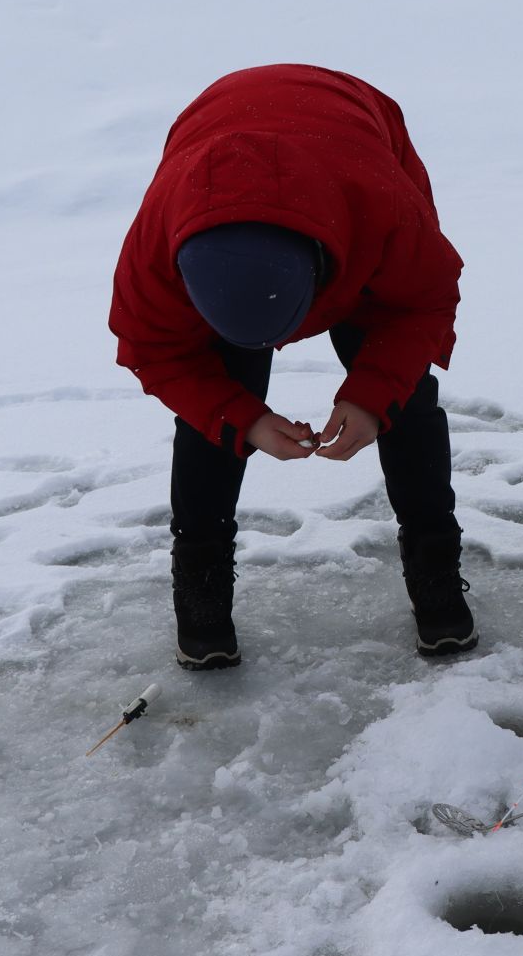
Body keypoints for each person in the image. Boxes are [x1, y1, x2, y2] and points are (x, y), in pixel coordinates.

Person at [110, 64, 476, 671]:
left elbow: (424, 302)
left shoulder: (384, 210)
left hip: (347, 146)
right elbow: (157, 351)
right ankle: (201, 602)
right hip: (216, 152)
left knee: (405, 403)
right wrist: (241, 417)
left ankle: (436, 576)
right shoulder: (155, 257)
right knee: (211, 419)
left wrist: (372, 396)